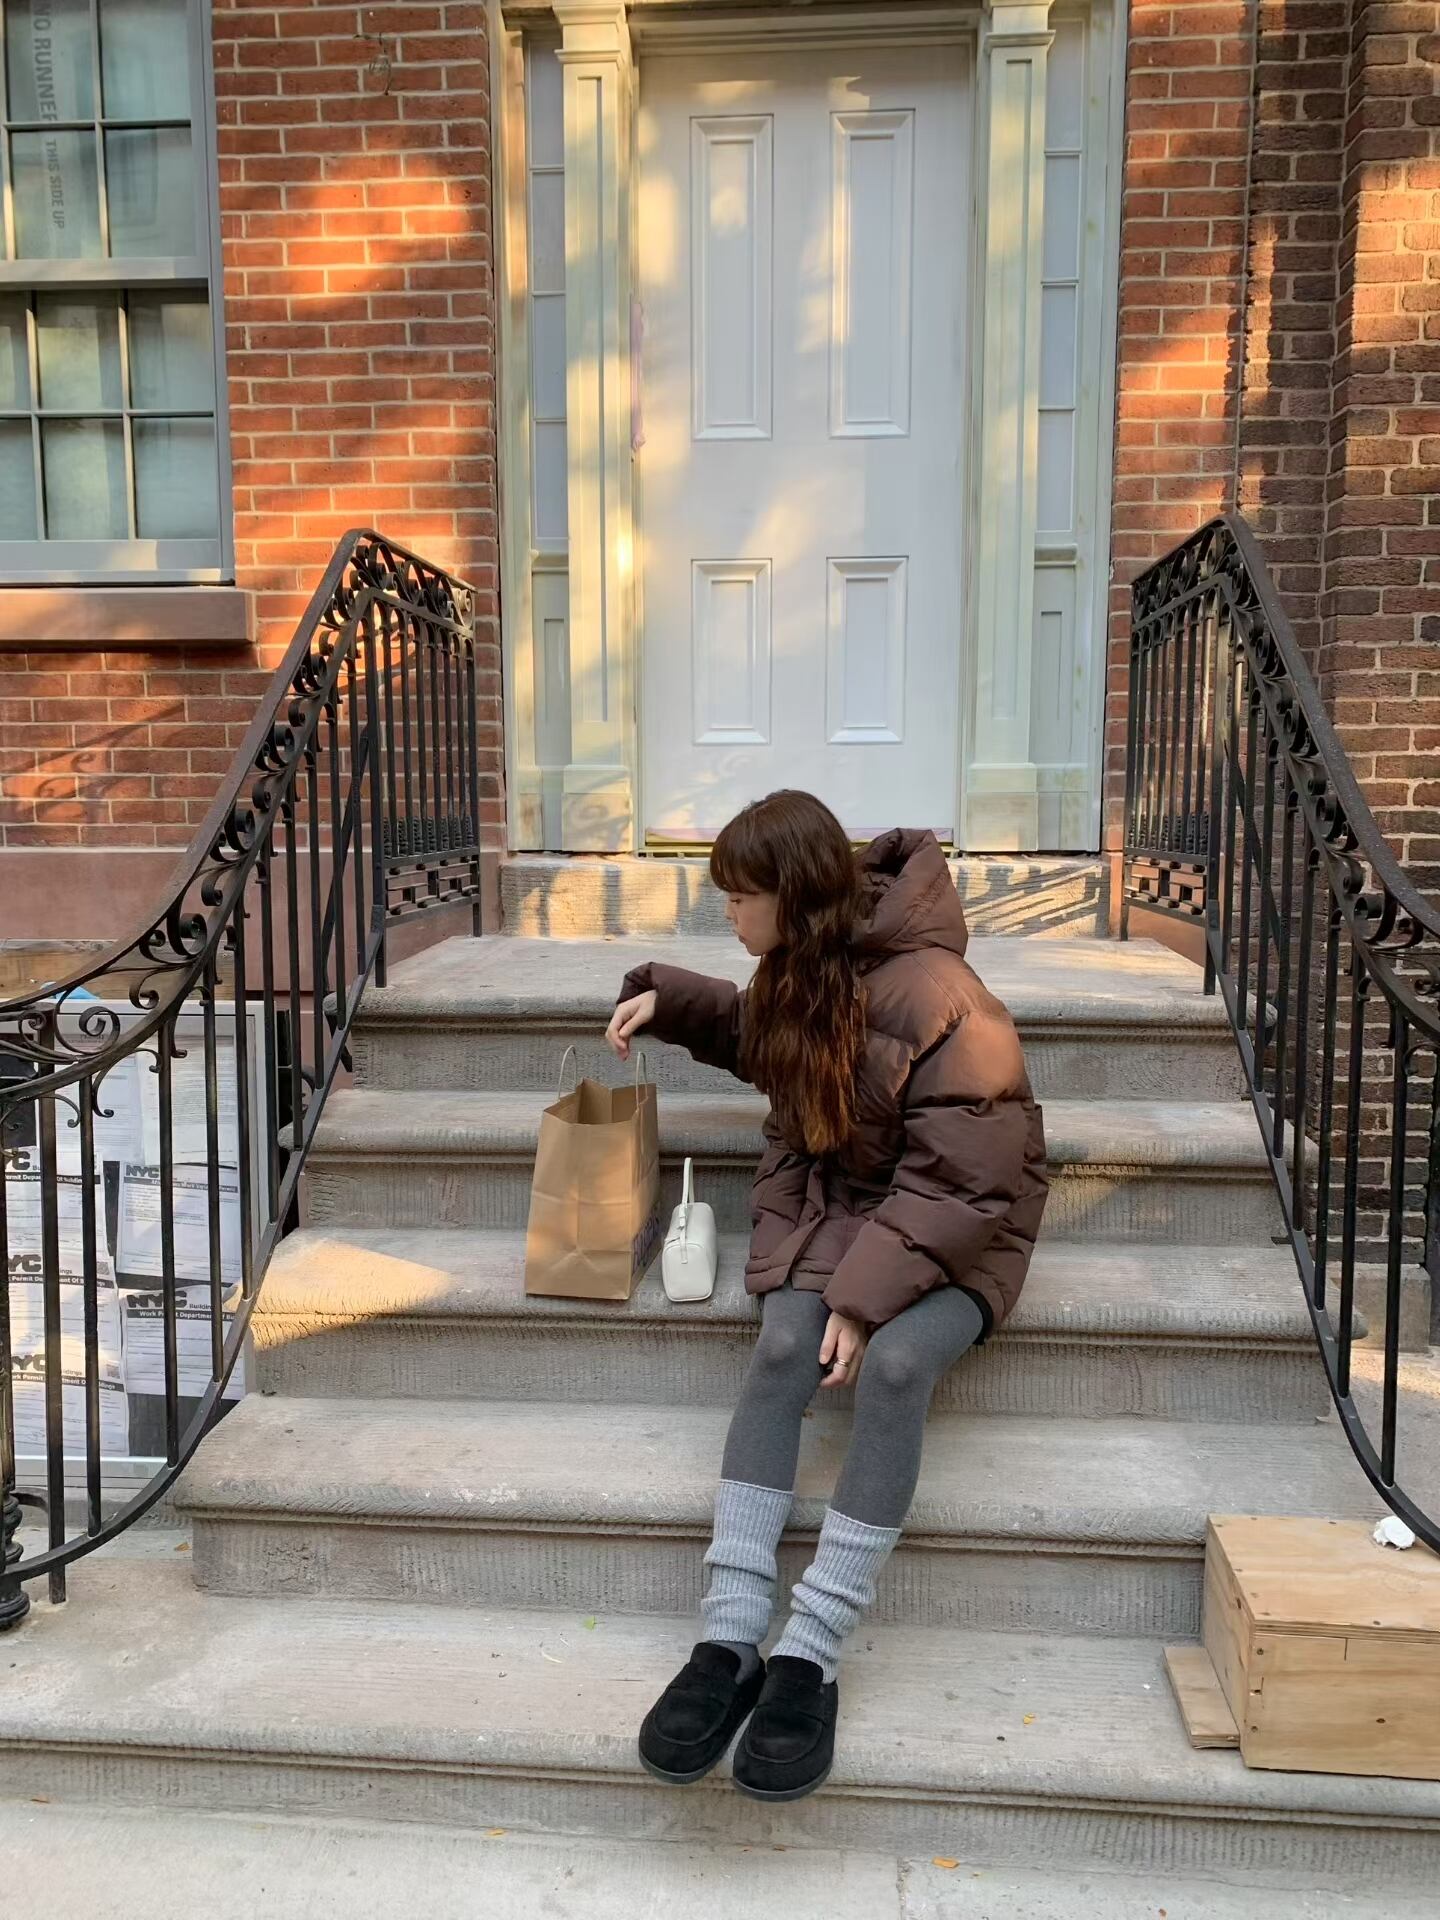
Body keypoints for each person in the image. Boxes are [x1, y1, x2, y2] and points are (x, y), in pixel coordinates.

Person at [604, 790, 1048, 1803]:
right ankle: (728, 1641)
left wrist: (863, 1299)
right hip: (849, 1207)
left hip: (968, 1222)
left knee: (895, 1366)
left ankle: (809, 1653)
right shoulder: (798, 969)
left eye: (739, 897)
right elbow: (766, 1037)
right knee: (778, 1351)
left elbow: (968, 1179)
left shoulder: (943, 995)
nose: (727, 914)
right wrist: (670, 1004)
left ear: (794, 897)